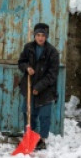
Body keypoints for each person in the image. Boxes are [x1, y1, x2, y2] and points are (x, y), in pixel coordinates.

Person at [16, 22, 60, 150]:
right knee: (29, 113)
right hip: (29, 87)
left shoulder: (53, 52)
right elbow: (21, 62)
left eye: (43, 35)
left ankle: (42, 140)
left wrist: (39, 87)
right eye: (38, 35)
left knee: (44, 116)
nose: (40, 38)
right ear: (34, 35)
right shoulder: (28, 48)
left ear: (46, 36)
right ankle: (29, 136)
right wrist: (27, 67)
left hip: (46, 90)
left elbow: (52, 74)